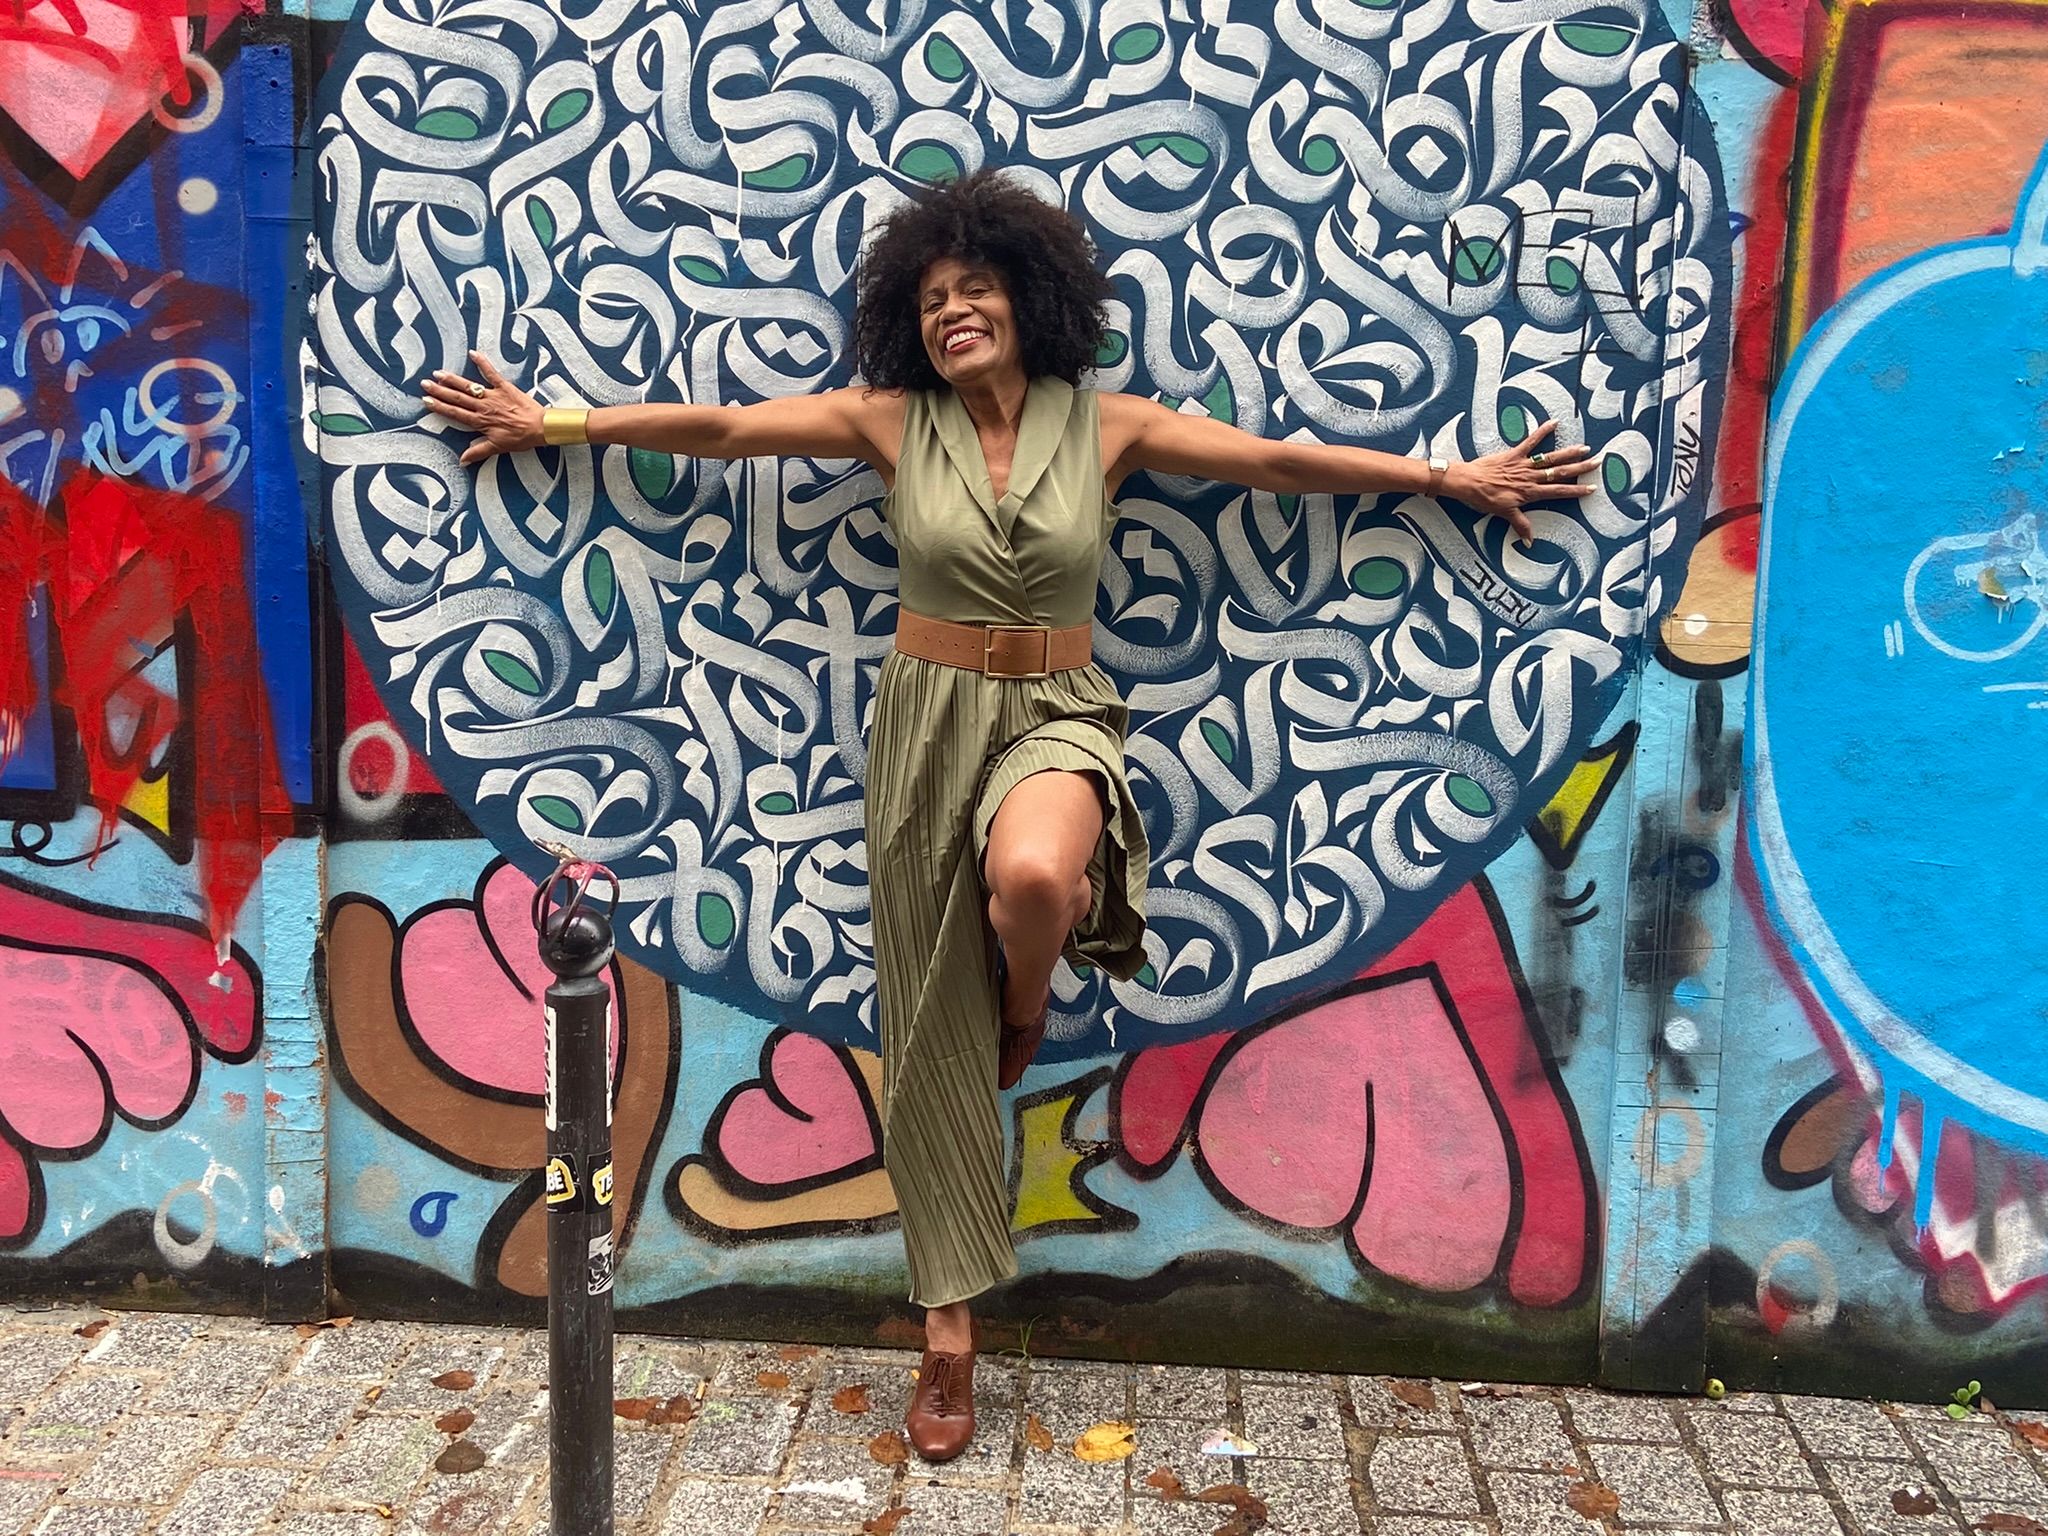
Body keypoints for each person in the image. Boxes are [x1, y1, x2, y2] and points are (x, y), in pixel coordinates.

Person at [420, 169, 1597, 1463]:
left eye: (974, 288)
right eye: (931, 298)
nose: (952, 312)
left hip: (1059, 705)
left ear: (1031, 300)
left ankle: (1025, 996)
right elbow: (725, 429)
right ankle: (949, 1326)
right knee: (927, 1030)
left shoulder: (1109, 426)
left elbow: (1274, 462)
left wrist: (1449, 477)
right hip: (926, 721)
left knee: (1037, 880)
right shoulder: (889, 423)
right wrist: (554, 420)